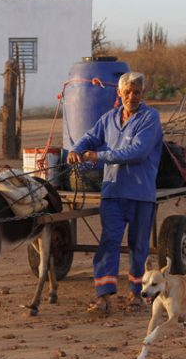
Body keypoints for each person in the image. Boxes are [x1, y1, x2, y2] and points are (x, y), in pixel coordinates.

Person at [67, 72, 163, 315]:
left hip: (141, 193)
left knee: (138, 245)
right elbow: (91, 137)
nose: (131, 97)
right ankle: (103, 296)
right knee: (108, 242)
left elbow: (138, 152)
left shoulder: (150, 117)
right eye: (127, 92)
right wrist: (77, 149)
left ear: (143, 94)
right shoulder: (109, 118)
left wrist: (99, 156)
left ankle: (136, 293)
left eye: (136, 92)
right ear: (119, 93)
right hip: (112, 191)